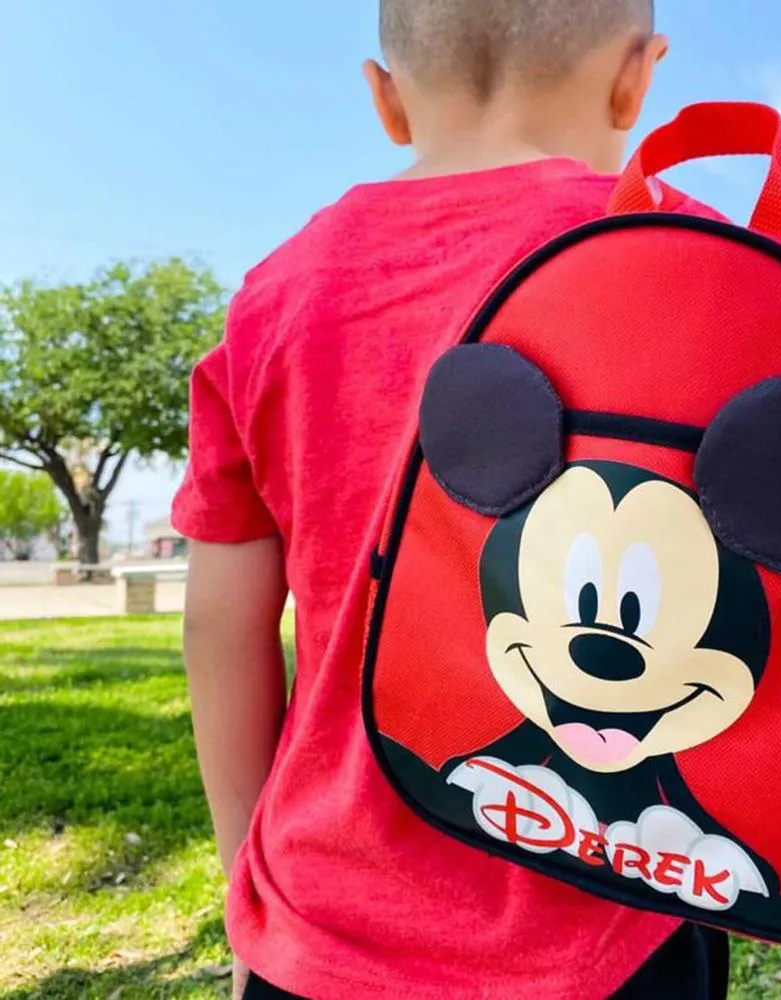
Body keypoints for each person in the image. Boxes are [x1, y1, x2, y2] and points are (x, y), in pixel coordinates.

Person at [173, 2, 729, 997]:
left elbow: (222, 625)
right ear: (635, 80)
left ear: (385, 99)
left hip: (321, 927)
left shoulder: (276, 296)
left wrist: (246, 876)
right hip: (614, 915)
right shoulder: (700, 261)